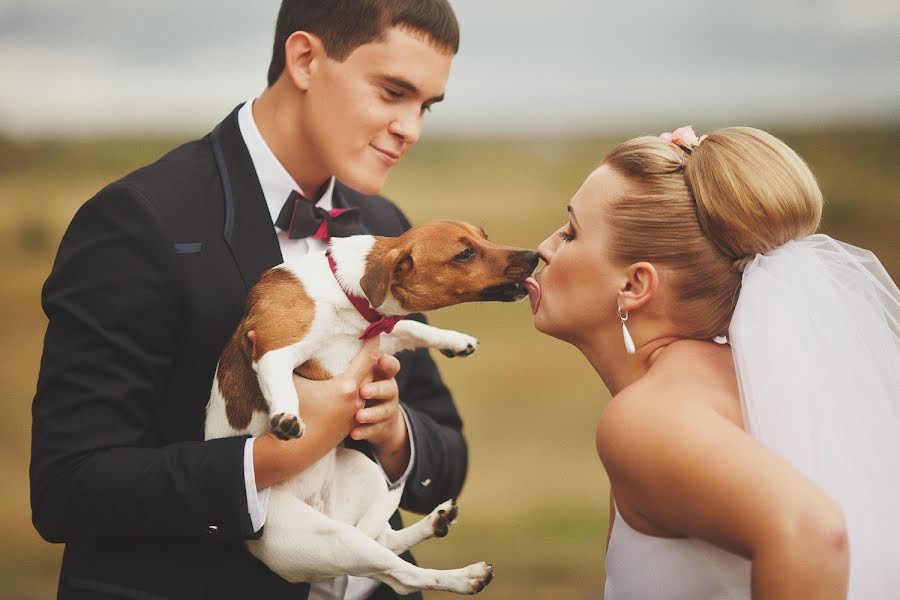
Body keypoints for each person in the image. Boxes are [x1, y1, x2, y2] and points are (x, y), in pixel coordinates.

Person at [30, 2, 469, 599]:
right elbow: (68, 488)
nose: (411, 128)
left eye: (425, 106)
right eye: (393, 92)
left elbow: (448, 451)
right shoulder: (139, 222)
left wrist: (393, 433)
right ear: (306, 59)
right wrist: (270, 457)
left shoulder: (387, 228)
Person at [525, 125, 900, 599]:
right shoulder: (740, 378)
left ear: (635, 286)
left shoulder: (647, 418)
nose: (544, 247)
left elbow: (813, 533)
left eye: (571, 232)